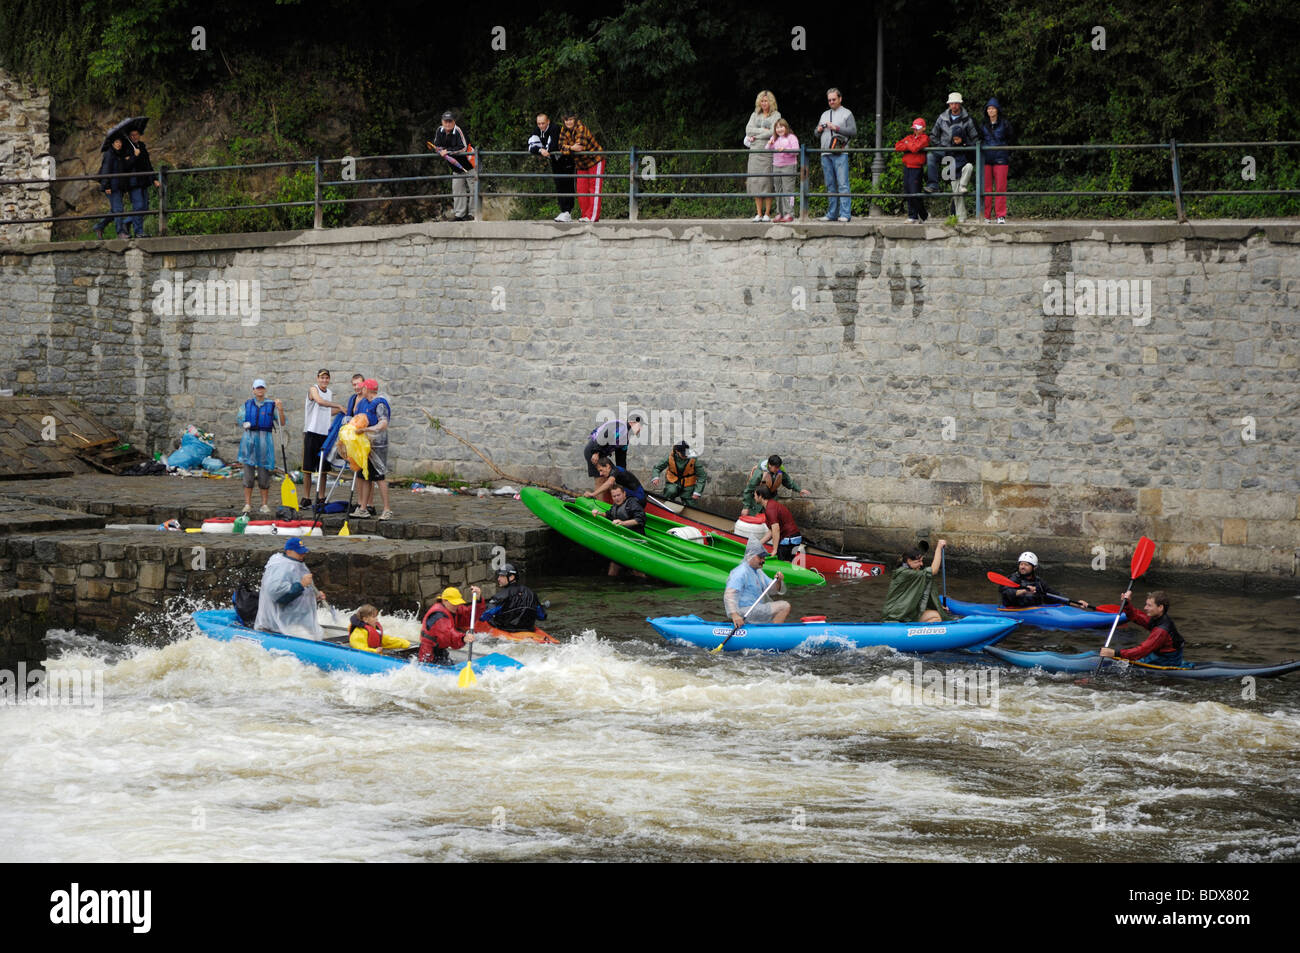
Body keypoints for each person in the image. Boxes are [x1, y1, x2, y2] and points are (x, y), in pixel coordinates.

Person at [255, 538, 325, 639]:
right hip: (281, 623)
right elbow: (275, 593)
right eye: (299, 552)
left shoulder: (298, 564)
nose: (302, 555)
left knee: (315, 634)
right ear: (289, 551)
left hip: (296, 620)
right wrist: (301, 585)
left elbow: (299, 593)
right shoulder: (281, 566)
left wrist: (313, 596)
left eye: (303, 552)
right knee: (309, 637)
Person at [238, 378, 286, 515]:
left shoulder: (272, 405)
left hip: (265, 444)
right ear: (253, 390)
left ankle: (264, 504)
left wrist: (281, 409)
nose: (259, 390)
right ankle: (247, 504)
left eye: (262, 387)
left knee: (264, 476)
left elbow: (282, 423)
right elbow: (240, 419)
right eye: (257, 388)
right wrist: (245, 423)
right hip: (249, 444)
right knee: (248, 475)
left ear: (265, 390)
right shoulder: (246, 405)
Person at [880, 540, 955, 623]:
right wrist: (939, 548)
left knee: (936, 617)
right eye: (918, 561)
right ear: (908, 560)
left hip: (908, 612)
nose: (921, 564)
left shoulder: (913, 572)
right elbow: (934, 570)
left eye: (922, 560)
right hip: (896, 616)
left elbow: (920, 593)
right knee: (936, 617)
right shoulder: (905, 573)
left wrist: (939, 607)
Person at [300, 369, 344, 511]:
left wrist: (344, 410)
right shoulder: (313, 389)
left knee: (323, 469)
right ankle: (306, 497)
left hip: (325, 433)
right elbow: (319, 401)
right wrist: (338, 405)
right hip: (311, 432)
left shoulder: (329, 393)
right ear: (318, 378)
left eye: (326, 378)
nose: (324, 380)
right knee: (308, 468)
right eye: (322, 377)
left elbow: (327, 411)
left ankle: (321, 497)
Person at [1101, 591, 1184, 666]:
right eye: (1146, 604)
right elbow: (1136, 616)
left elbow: (1142, 650)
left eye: (1149, 605)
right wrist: (1126, 604)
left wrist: (1115, 653)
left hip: (1166, 662)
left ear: (1160, 607)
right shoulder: (1156, 619)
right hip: (1157, 656)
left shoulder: (1161, 630)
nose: (1145, 608)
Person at [351, 378, 392, 520]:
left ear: (367, 390)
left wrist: (366, 429)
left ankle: (387, 509)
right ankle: (363, 508)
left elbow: (383, 424)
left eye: (363, 388)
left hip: (379, 445)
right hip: (367, 444)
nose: (361, 390)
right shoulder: (366, 403)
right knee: (365, 475)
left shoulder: (379, 403)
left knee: (379, 477)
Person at [725, 537, 791, 625]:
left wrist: (778, 581)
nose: (763, 561)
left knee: (782, 607)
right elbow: (729, 594)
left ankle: (769, 630)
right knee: (784, 606)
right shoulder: (741, 572)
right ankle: (774, 633)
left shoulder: (758, 572)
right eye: (760, 557)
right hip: (743, 612)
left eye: (764, 558)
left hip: (754, 609)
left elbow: (772, 590)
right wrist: (735, 615)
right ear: (750, 556)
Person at [925, 92, 979, 198]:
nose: (954, 105)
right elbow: (933, 135)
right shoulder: (942, 118)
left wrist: (965, 146)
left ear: (960, 104)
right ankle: (933, 185)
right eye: (952, 103)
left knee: (956, 183)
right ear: (949, 104)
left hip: (959, 152)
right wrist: (940, 146)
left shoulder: (967, 119)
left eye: (956, 103)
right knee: (930, 156)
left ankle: (957, 209)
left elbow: (975, 138)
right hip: (945, 150)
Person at [814, 88, 856, 222]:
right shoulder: (824, 114)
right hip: (824, 152)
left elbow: (853, 131)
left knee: (843, 184)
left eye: (834, 99)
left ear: (840, 99)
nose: (831, 102)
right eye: (829, 100)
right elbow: (816, 133)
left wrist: (836, 128)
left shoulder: (847, 113)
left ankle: (845, 214)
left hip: (840, 152)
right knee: (830, 185)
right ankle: (832, 214)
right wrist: (819, 129)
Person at [998, 551, 1090, 609]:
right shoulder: (1013, 578)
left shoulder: (1039, 582)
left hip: (1034, 610)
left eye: (1026, 565)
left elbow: (1055, 596)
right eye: (1021, 564)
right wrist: (1024, 590)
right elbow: (1006, 591)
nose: (1022, 567)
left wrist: (1076, 604)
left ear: (1034, 567)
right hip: (1013, 610)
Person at [429, 111, 476, 221]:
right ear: (442, 122)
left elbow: (463, 148)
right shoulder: (439, 131)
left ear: (454, 122)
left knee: (474, 189)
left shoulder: (459, 130)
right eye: (446, 121)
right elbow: (437, 145)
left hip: (470, 164)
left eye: (450, 121)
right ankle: (460, 214)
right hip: (456, 167)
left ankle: (473, 214)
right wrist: (439, 150)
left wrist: (447, 151)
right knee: (457, 189)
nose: (448, 124)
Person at [584, 414, 644, 500]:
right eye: (640, 426)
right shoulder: (620, 426)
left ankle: (611, 502)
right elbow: (604, 434)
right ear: (633, 423)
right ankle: (599, 505)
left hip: (602, 454)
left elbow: (621, 459)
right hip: (593, 450)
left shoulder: (625, 438)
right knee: (600, 479)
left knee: (611, 476)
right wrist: (596, 452)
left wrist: (623, 475)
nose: (641, 429)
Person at [529, 112, 575, 223]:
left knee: (567, 184)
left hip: (566, 159)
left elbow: (553, 146)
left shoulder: (555, 128)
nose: (541, 126)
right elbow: (531, 146)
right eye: (539, 123)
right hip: (555, 161)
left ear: (548, 121)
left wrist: (544, 150)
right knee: (559, 184)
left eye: (543, 123)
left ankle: (568, 211)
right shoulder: (537, 130)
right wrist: (540, 150)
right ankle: (564, 211)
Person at [559, 111, 603, 222]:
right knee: (581, 190)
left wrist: (568, 147)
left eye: (570, 119)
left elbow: (579, 147)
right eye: (566, 120)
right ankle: (585, 215)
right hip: (581, 164)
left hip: (594, 160)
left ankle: (592, 217)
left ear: (575, 119)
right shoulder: (564, 130)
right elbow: (560, 146)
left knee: (594, 189)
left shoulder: (581, 128)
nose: (568, 122)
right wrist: (571, 148)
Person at [594, 484, 647, 576]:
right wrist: (598, 514)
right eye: (614, 496)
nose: (617, 498)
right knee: (613, 566)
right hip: (623, 541)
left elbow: (641, 519)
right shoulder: (615, 506)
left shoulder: (632, 503)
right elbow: (608, 515)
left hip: (636, 541)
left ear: (624, 494)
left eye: (618, 495)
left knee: (637, 571)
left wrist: (623, 523)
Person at [745, 90, 781, 222]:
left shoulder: (776, 115)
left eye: (766, 100)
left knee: (767, 182)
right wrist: (763, 132)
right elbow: (748, 130)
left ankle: (767, 213)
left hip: (768, 152)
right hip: (754, 152)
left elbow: (773, 131)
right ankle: (758, 213)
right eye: (762, 100)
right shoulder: (754, 115)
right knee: (755, 181)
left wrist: (756, 135)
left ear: (771, 102)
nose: (764, 103)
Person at [418, 586, 477, 665]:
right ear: (444, 600)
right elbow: (448, 633)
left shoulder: (451, 608)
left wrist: (478, 599)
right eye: (454, 603)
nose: (456, 606)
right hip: (429, 652)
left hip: (441, 650)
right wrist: (463, 638)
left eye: (457, 603)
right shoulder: (438, 615)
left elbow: (469, 614)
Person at [481, 564, 547, 632]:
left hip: (507, 631)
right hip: (528, 630)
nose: (498, 579)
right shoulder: (531, 593)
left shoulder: (500, 596)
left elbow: (485, 616)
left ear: (511, 577)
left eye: (502, 576)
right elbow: (542, 616)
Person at [980, 97, 1014, 224]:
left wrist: (1006, 153)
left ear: (998, 110)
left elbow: (1011, 139)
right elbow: (980, 140)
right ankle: (987, 216)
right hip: (987, 159)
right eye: (989, 108)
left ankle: (1000, 215)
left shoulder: (1005, 124)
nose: (991, 111)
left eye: (993, 108)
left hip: (1001, 158)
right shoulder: (983, 125)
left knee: (1000, 187)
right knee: (987, 188)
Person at [741, 454, 810, 516]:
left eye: (778, 467)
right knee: (756, 521)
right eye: (775, 468)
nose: (777, 469)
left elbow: (788, 482)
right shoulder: (759, 472)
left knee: (770, 520)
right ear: (769, 465)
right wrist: (746, 507)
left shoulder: (780, 471)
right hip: (758, 500)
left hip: (771, 499)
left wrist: (799, 489)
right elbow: (749, 489)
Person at [92, 137, 131, 239]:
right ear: (113, 143)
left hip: (119, 186)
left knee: (115, 210)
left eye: (120, 142)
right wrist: (106, 186)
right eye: (117, 142)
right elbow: (106, 170)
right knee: (119, 209)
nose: (119, 144)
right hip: (111, 187)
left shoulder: (120, 154)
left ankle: (99, 226)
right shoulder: (109, 154)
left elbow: (123, 170)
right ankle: (120, 232)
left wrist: (127, 159)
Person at [894, 118, 930, 224]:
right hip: (907, 167)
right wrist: (910, 144)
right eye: (914, 128)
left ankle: (923, 215)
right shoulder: (910, 137)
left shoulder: (925, 138)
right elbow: (897, 146)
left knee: (915, 192)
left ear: (923, 128)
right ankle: (912, 216)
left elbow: (915, 148)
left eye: (917, 129)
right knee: (908, 191)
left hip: (916, 168)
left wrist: (907, 144)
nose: (915, 131)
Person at [125, 128, 159, 238]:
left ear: (139, 135)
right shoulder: (126, 148)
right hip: (133, 182)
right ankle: (138, 232)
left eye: (136, 134)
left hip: (144, 181)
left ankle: (127, 221)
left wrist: (154, 179)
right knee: (138, 206)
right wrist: (135, 156)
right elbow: (127, 165)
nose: (135, 137)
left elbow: (147, 164)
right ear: (129, 136)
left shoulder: (142, 147)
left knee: (145, 207)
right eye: (132, 135)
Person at [766, 117, 800, 223]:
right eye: (777, 127)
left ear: (786, 127)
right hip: (776, 166)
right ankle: (779, 213)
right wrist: (770, 143)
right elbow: (767, 149)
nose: (779, 129)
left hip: (789, 166)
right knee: (778, 190)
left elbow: (796, 151)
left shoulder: (791, 137)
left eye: (781, 127)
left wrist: (785, 150)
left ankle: (789, 213)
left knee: (788, 190)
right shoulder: (774, 138)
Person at [755, 485, 801, 561]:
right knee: (787, 563)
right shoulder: (771, 505)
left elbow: (776, 529)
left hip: (789, 539)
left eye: (755, 495)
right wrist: (759, 544)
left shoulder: (770, 509)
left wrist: (775, 549)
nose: (754, 497)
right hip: (794, 537)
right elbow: (771, 530)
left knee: (782, 563)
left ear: (760, 496)